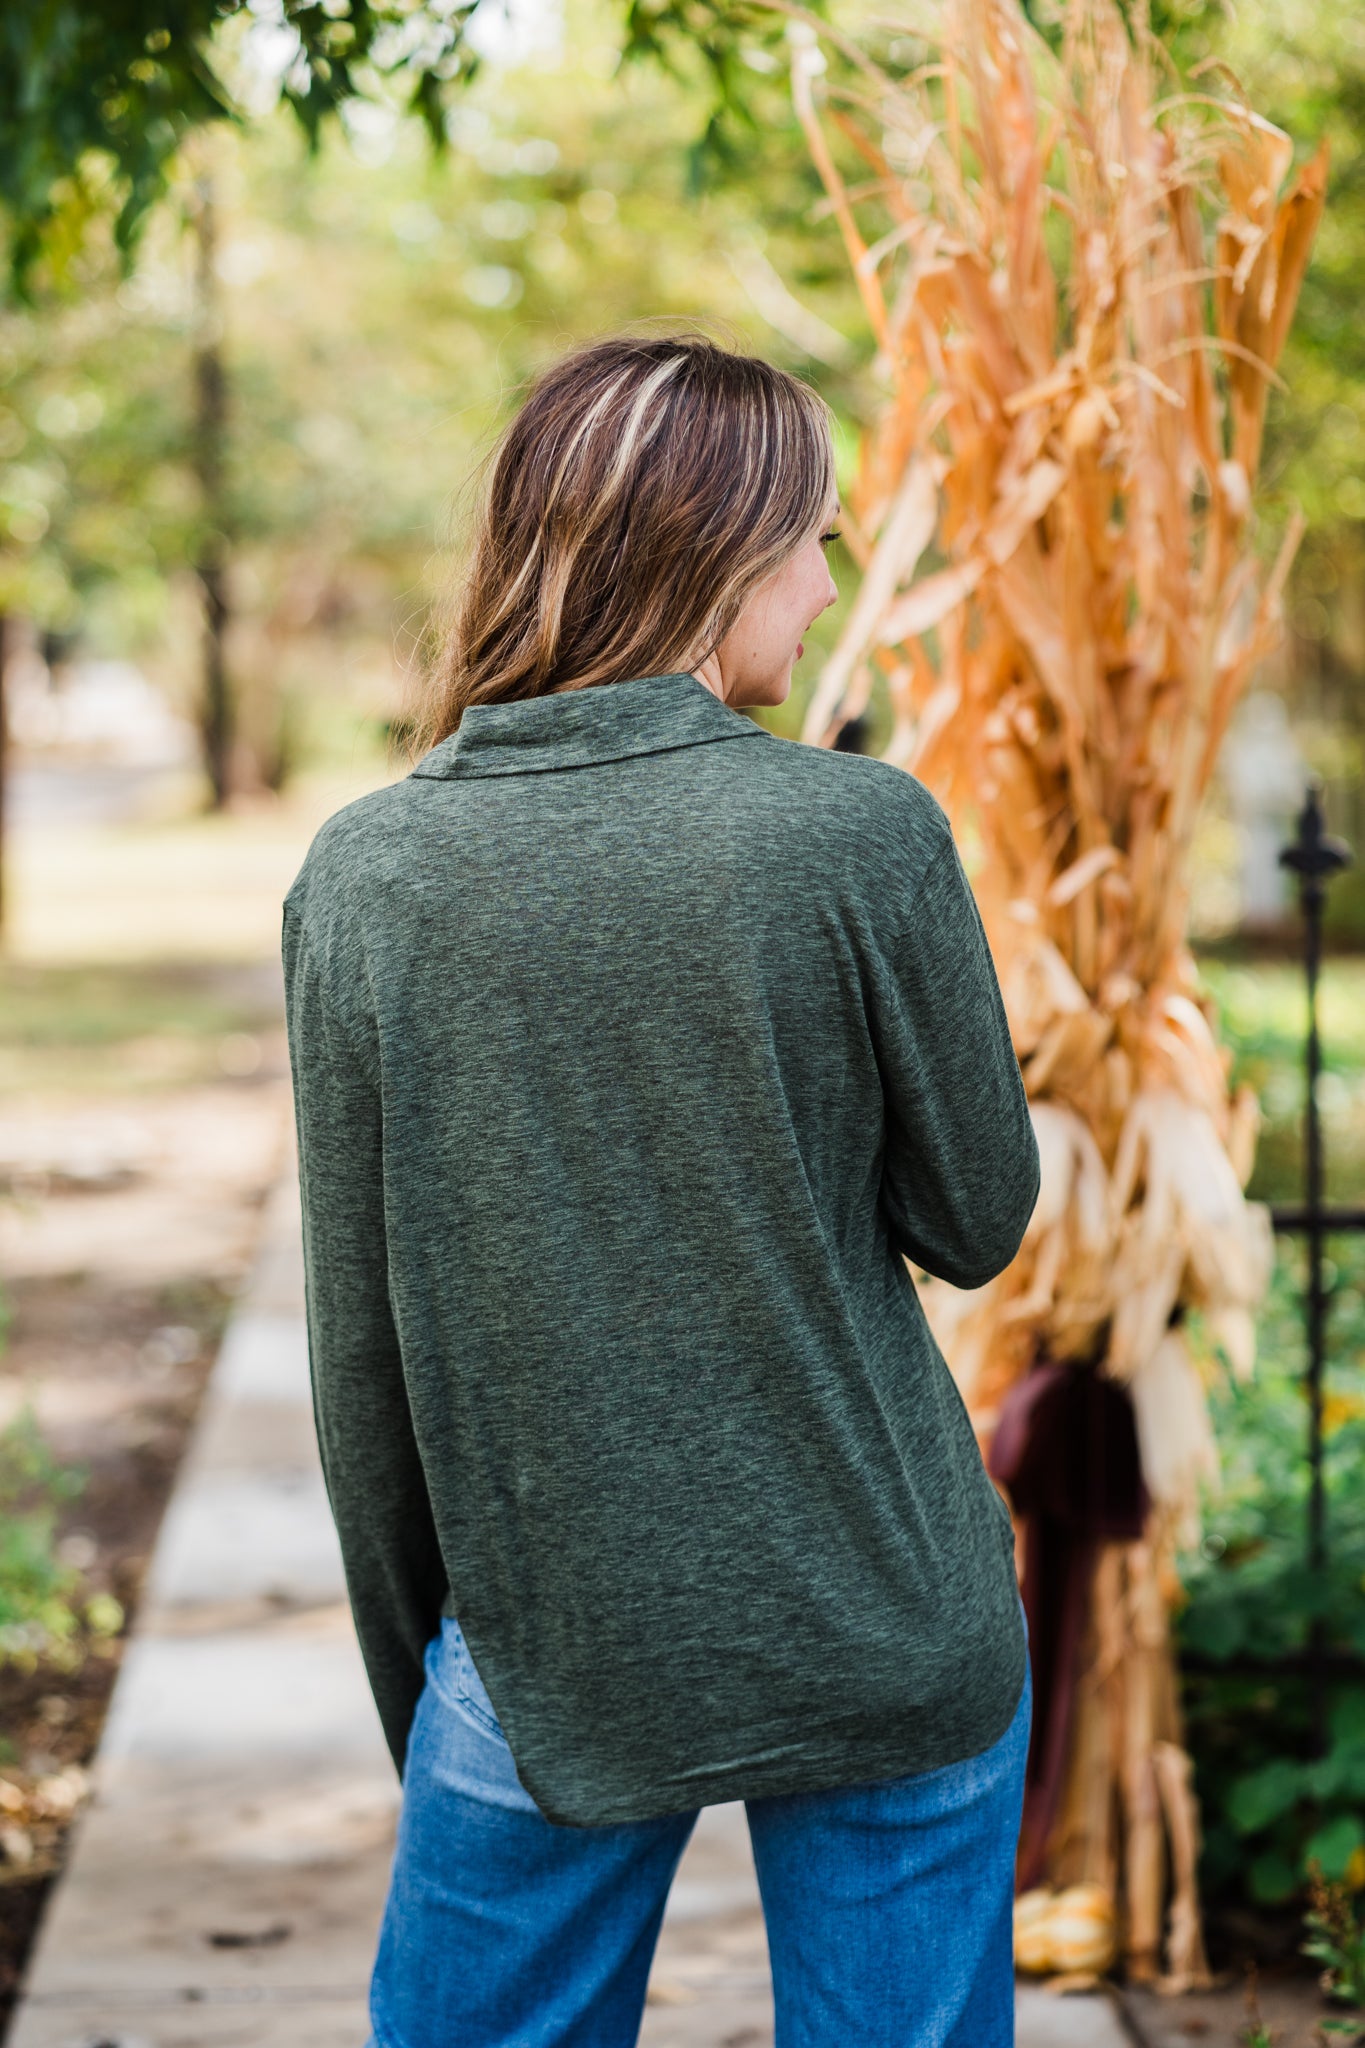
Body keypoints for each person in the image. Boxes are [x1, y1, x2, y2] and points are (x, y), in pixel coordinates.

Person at [283, 332, 1040, 2048]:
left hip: (552, 1644)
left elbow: (362, 1357)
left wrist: (440, 1676)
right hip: (887, 1610)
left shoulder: (369, 876)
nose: (831, 575)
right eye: (817, 537)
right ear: (722, 551)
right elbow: (978, 1219)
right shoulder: (859, 833)